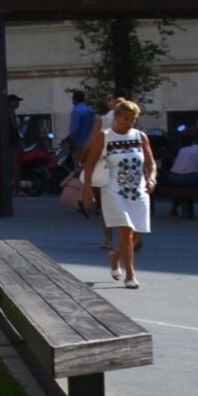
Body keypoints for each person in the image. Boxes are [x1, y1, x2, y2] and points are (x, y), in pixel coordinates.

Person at [82, 97, 156, 287]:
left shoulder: (140, 137)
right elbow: (89, 165)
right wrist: (87, 190)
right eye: (126, 119)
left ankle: (115, 257)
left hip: (138, 189)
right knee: (125, 229)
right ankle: (130, 275)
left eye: (133, 119)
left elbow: (150, 162)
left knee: (137, 232)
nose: (130, 122)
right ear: (116, 117)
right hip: (114, 190)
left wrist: (152, 178)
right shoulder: (105, 137)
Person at [166, 128, 198, 218]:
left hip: (172, 178)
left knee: (180, 188)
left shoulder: (182, 150)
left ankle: (174, 208)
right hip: (191, 178)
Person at [65, 90, 95, 169]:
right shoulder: (90, 110)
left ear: (74, 100)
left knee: (80, 167)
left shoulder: (76, 111)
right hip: (92, 143)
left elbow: (74, 130)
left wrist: (70, 139)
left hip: (80, 144)